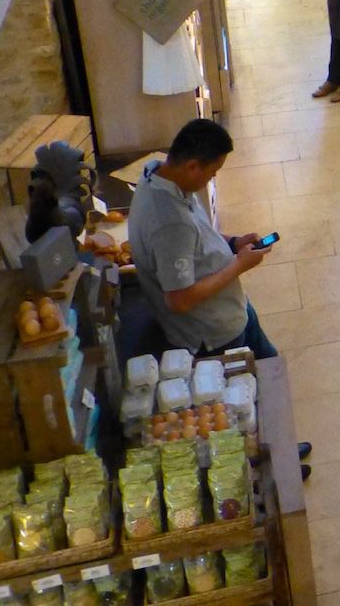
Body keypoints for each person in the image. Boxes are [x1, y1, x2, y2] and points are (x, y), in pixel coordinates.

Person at [129, 119, 313, 477]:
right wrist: (240, 266)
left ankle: (282, 449)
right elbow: (179, 299)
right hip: (212, 331)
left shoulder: (157, 174)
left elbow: (198, 241)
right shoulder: (169, 223)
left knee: (269, 378)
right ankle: (273, 471)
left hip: (232, 311)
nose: (211, 180)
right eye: (212, 172)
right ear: (192, 164)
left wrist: (231, 244)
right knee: (244, 408)